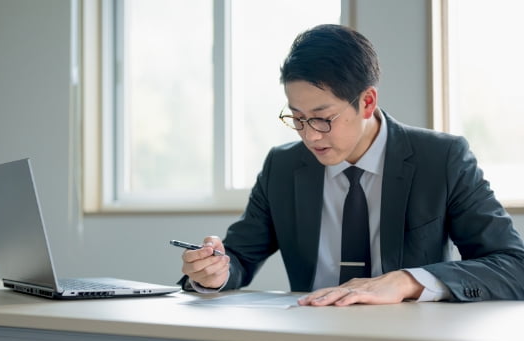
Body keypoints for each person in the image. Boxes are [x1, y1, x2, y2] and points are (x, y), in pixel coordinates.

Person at [178, 24, 524, 306]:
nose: (310, 136)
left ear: (367, 101)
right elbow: (239, 257)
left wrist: (407, 281)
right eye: (297, 118)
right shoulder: (282, 166)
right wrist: (215, 272)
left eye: (322, 118)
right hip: (311, 337)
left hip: (414, 339)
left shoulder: (441, 158)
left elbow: (513, 265)